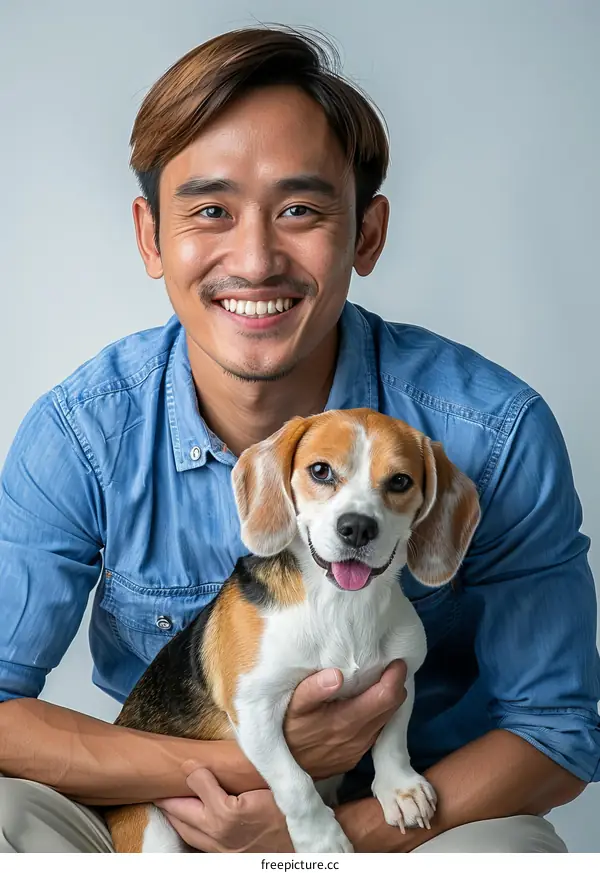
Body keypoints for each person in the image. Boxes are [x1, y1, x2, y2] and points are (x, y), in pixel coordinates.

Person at [0, 25, 598, 855]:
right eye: (210, 210)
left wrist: (324, 837)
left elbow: (555, 732)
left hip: (401, 817)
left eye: (301, 210)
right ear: (150, 236)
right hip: (169, 801)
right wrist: (246, 767)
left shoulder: (491, 432)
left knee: (514, 851)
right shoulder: (81, 432)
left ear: (367, 234)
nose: (254, 258)